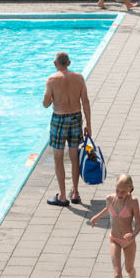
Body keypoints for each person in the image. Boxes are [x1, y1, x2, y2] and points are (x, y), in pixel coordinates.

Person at [86, 173, 140, 278]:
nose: (119, 194)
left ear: (130, 189)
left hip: (129, 242)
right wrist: (96, 217)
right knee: (117, 274)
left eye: (123, 192)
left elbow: (139, 224)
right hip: (115, 240)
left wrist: (133, 234)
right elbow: (108, 210)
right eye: (118, 190)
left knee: (129, 269)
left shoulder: (133, 202)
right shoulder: (110, 198)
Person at [42, 52, 94, 206]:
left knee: (58, 157)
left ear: (55, 63)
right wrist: (88, 124)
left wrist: (53, 98)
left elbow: (45, 104)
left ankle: (63, 196)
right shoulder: (79, 78)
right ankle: (76, 192)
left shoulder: (51, 79)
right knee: (74, 155)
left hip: (59, 119)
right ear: (69, 63)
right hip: (76, 118)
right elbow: (85, 101)